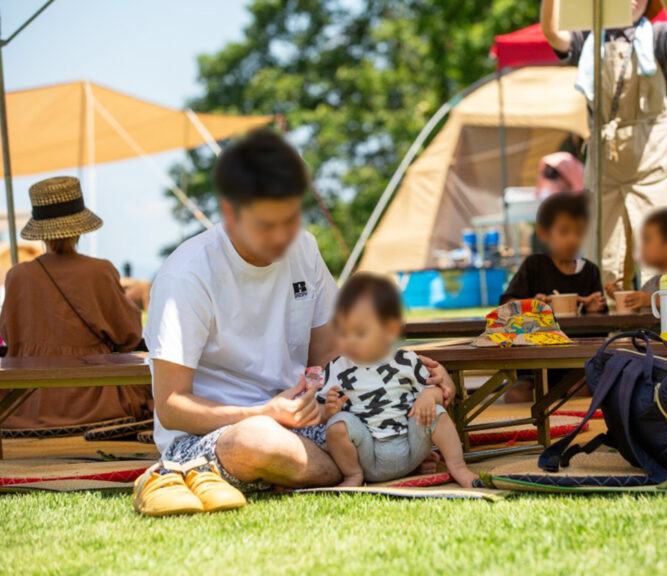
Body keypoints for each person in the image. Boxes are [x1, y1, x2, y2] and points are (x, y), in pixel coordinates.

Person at [144, 129, 455, 493]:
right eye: (267, 224)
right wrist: (262, 413)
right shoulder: (187, 274)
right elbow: (171, 407)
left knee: (404, 412)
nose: (282, 237)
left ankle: (352, 462)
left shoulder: (302, 248)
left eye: (290, 220)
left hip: (307, 419)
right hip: (219, 433)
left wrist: (417, 374)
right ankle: (366, 467)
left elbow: (337, 355)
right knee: (260, 442)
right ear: (230, 211)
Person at [541, 0, 667, 286]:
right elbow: (551, 32)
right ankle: (612, 328)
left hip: (656, 161)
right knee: (605, 258)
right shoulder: (587, 40)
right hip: (605, 160)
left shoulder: (658, 35)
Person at [0, 177, 151, 430]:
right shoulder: (99, 272)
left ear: (40, 230)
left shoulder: (17, 276)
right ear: (80, 228)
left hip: (26, 403)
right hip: (96, 399)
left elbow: (9, 336)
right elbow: (129, 334)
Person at [318, 273, 476, 488]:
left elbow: (442, 392)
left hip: (410, 447)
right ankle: (352, 476)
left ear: (389, 330)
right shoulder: (336, 368)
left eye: (360, 333)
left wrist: (430, 395)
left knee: (436, 412)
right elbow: (320, 413)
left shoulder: (406, 361)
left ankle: (458, 467)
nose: (350, 341)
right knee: (337, 426)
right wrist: (329, 410)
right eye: (343, 332)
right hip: (367, 455)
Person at [500, 192, 605, 312]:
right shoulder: (534, 266)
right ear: (543, 233)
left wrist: (593, 310)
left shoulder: (590, 272)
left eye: (579, 232)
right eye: (564, 231)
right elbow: (505, 306)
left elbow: (602, 321)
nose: (573, 239)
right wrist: (530, 305)